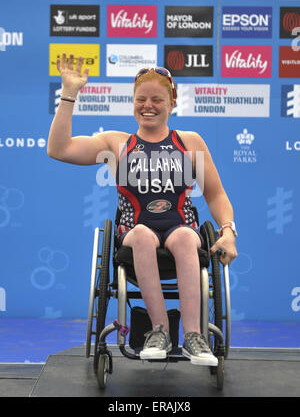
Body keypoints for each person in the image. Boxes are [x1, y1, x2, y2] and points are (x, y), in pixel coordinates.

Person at [47, 53, 238, 367]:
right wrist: (69, 93)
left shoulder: (190, 142)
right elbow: (59, 149)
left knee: (186, 239)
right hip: (134, 235)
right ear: (132, 102)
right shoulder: (116, 144)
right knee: (142, 235)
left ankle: (193, 336)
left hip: (182, 231)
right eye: (141, 99)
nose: (148, 105)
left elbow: (216, 195)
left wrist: (228, 231)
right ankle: (158, 330)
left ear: (172, 102)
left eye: (157, 99)